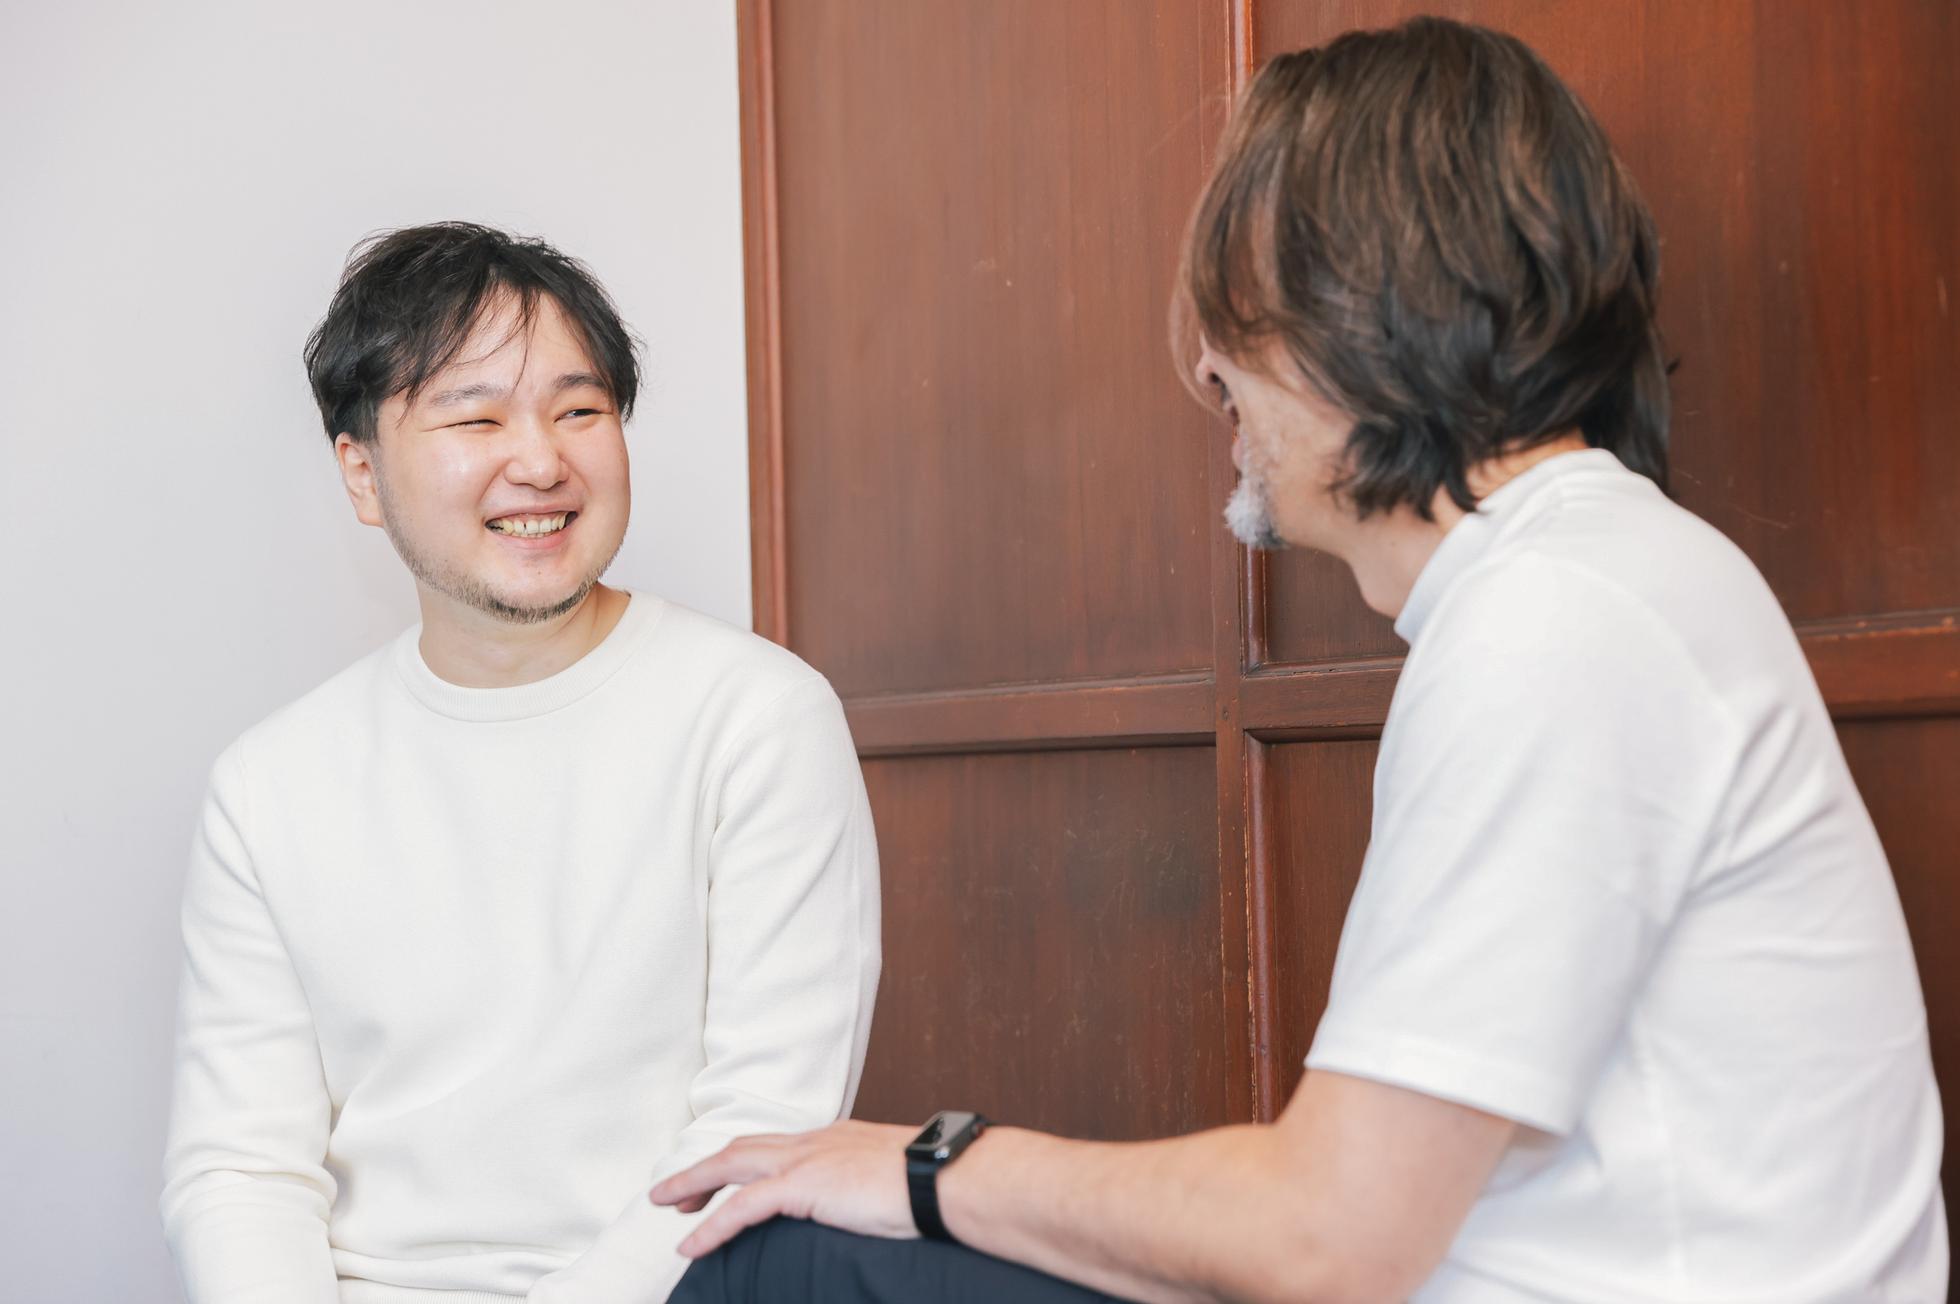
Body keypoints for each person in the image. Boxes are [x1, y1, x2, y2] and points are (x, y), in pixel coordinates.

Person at [650, 18, 1946, 1303]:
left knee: (785, 1263)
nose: (1205, 365)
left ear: (1373, 309)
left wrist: (929, 1167)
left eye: (1237, 305)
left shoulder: (1558, 622)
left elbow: (1331, 1243)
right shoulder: (1584, 582)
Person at [159, 222, 882, 1304]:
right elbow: (241, 1167)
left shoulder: (757, 720)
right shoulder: (269, 784)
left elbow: (760, 1128)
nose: (540, 461)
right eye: (476, 416)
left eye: (579, 410)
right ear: (362, 472)